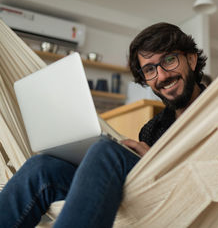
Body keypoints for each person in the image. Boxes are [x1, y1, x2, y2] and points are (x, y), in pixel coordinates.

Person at [0, 22, 207, 228]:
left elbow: (213, 174)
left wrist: (155, 162)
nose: (161, 75)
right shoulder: (152, 128)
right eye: (150, 69)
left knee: (106, 150)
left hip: (181, 200)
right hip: (140, 199)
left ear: (191, 59)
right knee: (42, 166)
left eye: (169, 60)